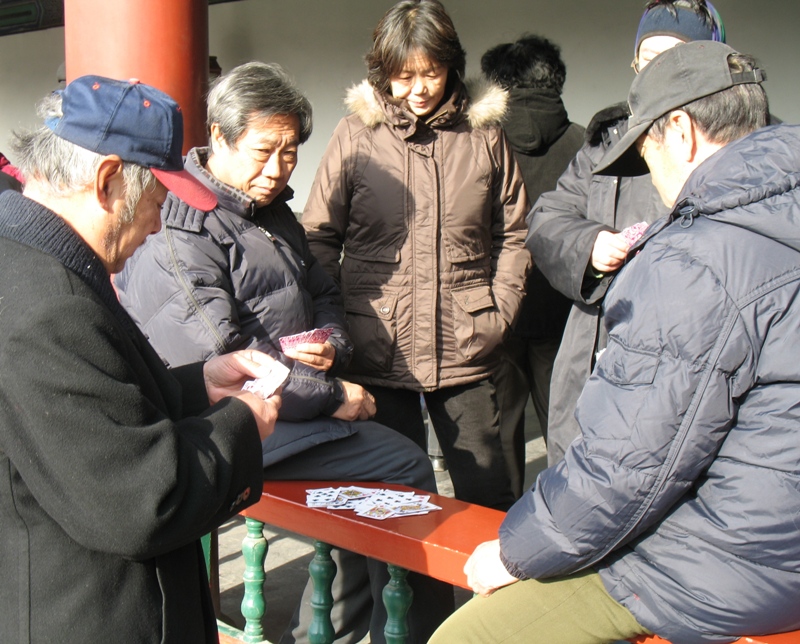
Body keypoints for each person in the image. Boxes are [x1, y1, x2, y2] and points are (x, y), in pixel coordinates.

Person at [429, 40, 800, 643]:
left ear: (680, 131)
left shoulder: (698, 256)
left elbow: (628, 466)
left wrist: (516, 552)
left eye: (647, 148)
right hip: (775, 532)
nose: (651, 172)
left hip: (731, 564)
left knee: (461, 639)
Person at [115, 61, 453, 644]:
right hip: (225, 418)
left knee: (372, 481)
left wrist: (331, 344)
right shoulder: (182, 227)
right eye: (263, 151)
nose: (277, 170)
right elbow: (222, 358)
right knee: (404, 465)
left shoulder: (266, 209)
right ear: (218, 138)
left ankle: (349, 628)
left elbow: (322, 289)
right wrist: (331, 395)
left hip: (291, 392)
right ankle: (421, 633)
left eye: (291, 152)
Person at [0, 76, 283, 642]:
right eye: (155, 203)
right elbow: (139, 499)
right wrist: (243, 425)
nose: (157, 226)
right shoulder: (47, 306)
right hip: (88, 615)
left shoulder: (34, 260)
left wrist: (199, 385)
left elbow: (96, 403)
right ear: (107, 181)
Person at [302, 0, 531, 512]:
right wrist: (340, 322)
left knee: (487, 497)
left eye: (431, 72)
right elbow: (319, 237)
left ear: (453, 64)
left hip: (467, 346)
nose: (419, 89)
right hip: (378, 346)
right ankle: (413, 597)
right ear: (382, 75)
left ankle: (487, 594)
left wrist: (498, 314)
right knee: (390, 504)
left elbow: (514, 235)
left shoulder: (484, 135)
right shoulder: (356, 136)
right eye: (403, 77)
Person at [527, 0, 726, 465]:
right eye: (647, 59)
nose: (655, 72)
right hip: (591, 356)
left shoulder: (738, 143)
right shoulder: (608, 139)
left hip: (685, 368)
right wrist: (588, 245)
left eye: (673, 58)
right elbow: (548, 216)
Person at [480, 34, 585, 495]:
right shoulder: (588, 145)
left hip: (497, 302)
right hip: (565, 309)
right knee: (568, 421)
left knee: (500, 426)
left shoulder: (482, 143)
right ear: (556, 81)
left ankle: (500, 528)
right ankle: (572, 518)